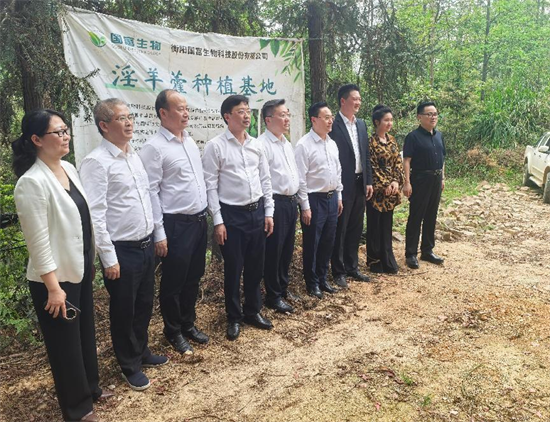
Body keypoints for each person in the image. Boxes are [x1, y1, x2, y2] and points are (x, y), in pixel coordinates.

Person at [12, 109, 109, 422]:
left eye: (66, 130)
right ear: (36, 140)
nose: (65, 136)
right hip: (53, 281)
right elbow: (38, 242)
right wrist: (54, 289)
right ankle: (78, 409)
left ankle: (91, 389)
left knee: (84, 335)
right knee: (64, 346)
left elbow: (81, 220)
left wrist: (90, 259)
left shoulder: (67, 168)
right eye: (58, 132)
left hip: (77, 268)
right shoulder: (31, 183)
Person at [80, 99, 168, 392]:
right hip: (122, 250)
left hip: (144, 244)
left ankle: (141, 351)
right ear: (104, 126)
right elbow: (96, 214)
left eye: (130, 117)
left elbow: (146, 198)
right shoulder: (96, 162)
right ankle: (129, 365)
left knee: (143, 304)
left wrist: (156, 234)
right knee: (124, 310)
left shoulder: (133, 155)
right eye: (121, 118)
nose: (129, 123)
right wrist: (109, 257)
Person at [139, 89, 209, 354]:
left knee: (194, 276)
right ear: (163, 113)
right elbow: (151, 192)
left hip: (199, 221)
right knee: (173, 281)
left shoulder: (189, 141)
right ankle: (173, 330)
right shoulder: (154, 148)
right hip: (175, 224)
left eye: (186, 108)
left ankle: (188, 324)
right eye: (180, 109)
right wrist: (159, 233)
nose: (186, 113)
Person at [202, 94, 275, 341]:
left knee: (255, 266)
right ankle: (234, 316)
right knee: (234, 268)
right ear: (227, 116)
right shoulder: (216, 146)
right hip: (232, 215)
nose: (246, 116)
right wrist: (218, 221)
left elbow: (265, 180)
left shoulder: (256, 145)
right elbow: (210, 186)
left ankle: (253, 311)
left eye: (248, 111)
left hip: (257, 212)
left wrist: (268, 212)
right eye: (241, 111)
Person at [295, 102, 343, 299]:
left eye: (331, 117)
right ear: (314, 120)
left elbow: (338, 171)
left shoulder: (332, 143)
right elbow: (300, 179)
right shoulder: (303, 145)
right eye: (326, 117)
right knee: (312, 243)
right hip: (314, 200)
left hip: (332, 198)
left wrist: (339, 196)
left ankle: (323, 279)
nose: (330, 121)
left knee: (327, 241)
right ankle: (312, 282)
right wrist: (305, 206)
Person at [329, 84, 373, 288]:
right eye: (354, 99)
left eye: (360, 99)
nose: (358, 103)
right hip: (342, 184)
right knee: (341, 228)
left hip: (359, 183)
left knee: (356, 226)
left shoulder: (361, 124)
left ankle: (352, 267)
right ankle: (338, 271)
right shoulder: (333, 124)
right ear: (343, 101)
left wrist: (368, 181)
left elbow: (366, 155)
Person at [258, 99, 300, 314]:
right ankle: (273, 295)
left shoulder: (286, 143)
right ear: (268, 120)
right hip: (275, 204)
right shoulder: (262, 145)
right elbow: (263, 181)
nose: (287, 119)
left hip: (291, 202)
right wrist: (269, 210)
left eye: (288, 115)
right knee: (274, 251)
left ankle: (283, 289)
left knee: (286, 249)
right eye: (282, 115)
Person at [403, 101, 446, 269]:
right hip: (420, 179)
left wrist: (442, 178)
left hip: (436, 179)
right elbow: (407, 160)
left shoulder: (439, 136)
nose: (433, 117)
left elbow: (442, 158)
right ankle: (411, 254)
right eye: (429, 114)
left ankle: (427, 250)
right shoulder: (413, 137)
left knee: (431, 215)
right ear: (419, 117)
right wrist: (407, 182)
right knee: (416, 216)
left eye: (435, 114)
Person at [366, 105, 404, 274]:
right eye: (386, 120)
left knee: (387, 226)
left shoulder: (392, 140)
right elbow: (371, 167)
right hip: (376, 193)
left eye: (391, 120)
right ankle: (374, 260)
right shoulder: (370, 143)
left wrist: (395, 181)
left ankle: (387, 258)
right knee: (374, 225)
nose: (389, 123)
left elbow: (398, 163)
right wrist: (384, 185)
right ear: (377, 122)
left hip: (391, 192)